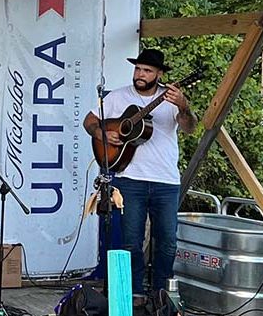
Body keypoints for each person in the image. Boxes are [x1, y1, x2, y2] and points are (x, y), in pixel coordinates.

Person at [82, 48, 196, 294]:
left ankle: (161, 296)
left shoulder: (171, 99)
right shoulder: (116, 97)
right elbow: (89, 121)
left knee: (167, 242)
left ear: (159, 74)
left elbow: (189, 128)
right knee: (131, 242)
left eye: (147, 70)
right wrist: (101, 133)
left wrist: (184, 107)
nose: (140, 74)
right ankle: (133, 296)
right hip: (129, 179)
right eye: (138, 69)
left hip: (165, 181)